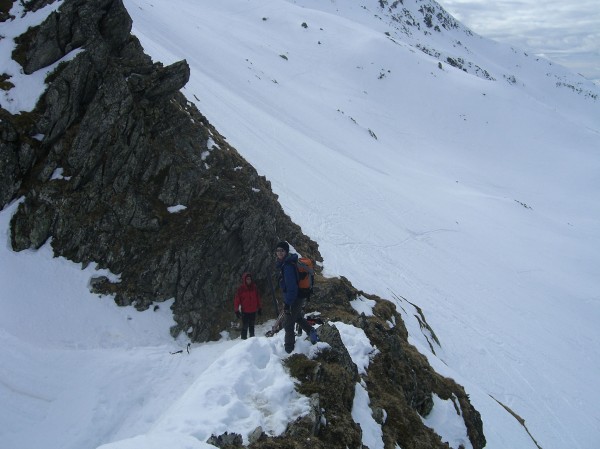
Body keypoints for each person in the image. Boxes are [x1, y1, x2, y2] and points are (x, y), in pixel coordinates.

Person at [275, 241, 318, 353]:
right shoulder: (286, 263)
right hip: (297, 297)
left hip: (294, 298)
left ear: (286, 251)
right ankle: (311, 332)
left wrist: (288, 304)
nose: (279, 253)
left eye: (282, 250)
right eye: (278, 250)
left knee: (287, 324)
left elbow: (292, 288)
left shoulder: (288, 266)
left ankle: (289, 350)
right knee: (297, 316)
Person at [234, 273, 262, 339]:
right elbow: (236, 300)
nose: (249, 280)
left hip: (253, 311)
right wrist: (236, 310)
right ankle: (243, 342)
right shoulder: (241, 289)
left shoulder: (254, 287)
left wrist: (260, 308)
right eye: (247, 279)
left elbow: (258, 298)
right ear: (244, 280)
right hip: (245, 311)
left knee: (252, 326)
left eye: (250, 279)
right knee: (245, 327)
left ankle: (252, 341)